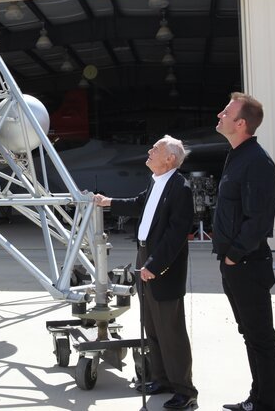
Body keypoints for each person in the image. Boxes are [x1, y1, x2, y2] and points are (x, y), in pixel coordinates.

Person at [94, 135, 198, 410]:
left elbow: (176, 235)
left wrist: (154, 265)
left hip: (161, 265)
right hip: (145, 256)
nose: (149, 151)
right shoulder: (156, 182)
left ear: (170, 159)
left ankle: (185, 391)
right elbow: (139, 203)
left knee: (171, 331)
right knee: (152, 326)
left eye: (156, 148)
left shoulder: (180, 188)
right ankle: (161, 379)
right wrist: (108, 202)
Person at [213, 93, 275, 411]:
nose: (220, 114)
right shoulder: (237, 156)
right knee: (250, 336)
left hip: (247, 264)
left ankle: (267, 405)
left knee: (261, 339)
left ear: (241, 123)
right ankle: (257, 400)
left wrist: (235, 254)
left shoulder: (256, 161)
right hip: (235, 264)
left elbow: (260, 220)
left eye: (226, 112)